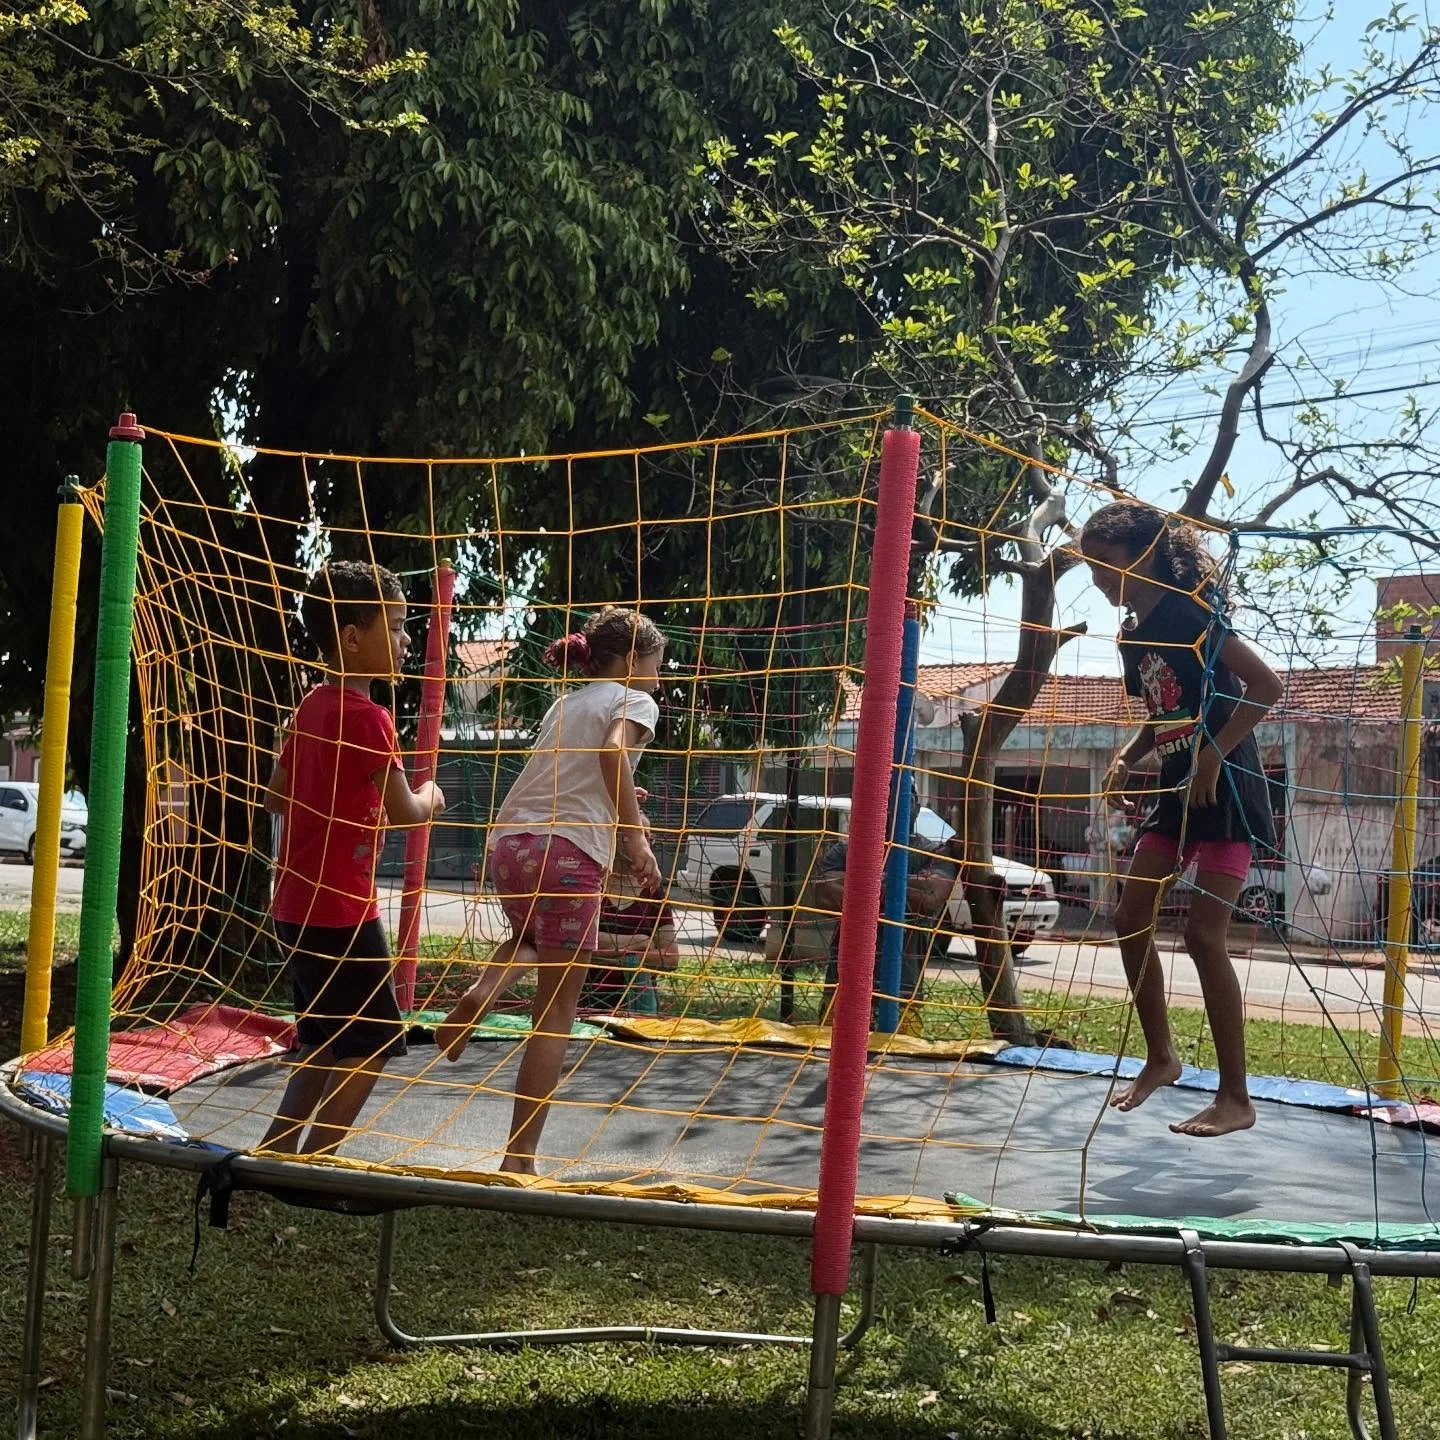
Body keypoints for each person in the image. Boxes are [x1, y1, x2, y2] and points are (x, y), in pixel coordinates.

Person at [436, 606, 664, 1174]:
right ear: (630, 661)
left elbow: (574, 773)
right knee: (556, 1010)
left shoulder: (566, 703)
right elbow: (612, 753)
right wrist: (634, 836)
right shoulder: (635, 701)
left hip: (511, 846)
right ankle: (519, 1158)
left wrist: (619, 810)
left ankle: (483, 992)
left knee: (532, 939)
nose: (659, 678)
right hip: (567, 854)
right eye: (656, 665)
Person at [1080, 498, 1282, 1138]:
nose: (1097, 577)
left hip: (1225, 790)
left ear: (1143, 555)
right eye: (1090, 566)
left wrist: (1212, 758)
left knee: (1202, 935)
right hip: (1176, 789)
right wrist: (1127, 756)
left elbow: (1266, 687)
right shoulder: (1133, 632)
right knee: (1129, 916)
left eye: (1105, 562)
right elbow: (1164, 709)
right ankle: (1161, 1056)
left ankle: (1235, 1097)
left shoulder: (1189, 613)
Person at [260, 562, 446, 1156]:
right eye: (394, 626)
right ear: (351, 636)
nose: (405, 639)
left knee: (321, 1037)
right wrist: (433, 795)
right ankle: (317, 1162)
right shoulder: (369, 718)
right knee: (375, 1041)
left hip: (294, 904)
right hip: (341, 909)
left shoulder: (312, 706)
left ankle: (277, 1152)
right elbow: (407, 810)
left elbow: (276, 795)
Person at [813, 814, 954, 1035]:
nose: (890, 806)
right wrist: (900, 887)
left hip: (904, 988)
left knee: (899, 1053)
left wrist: (861, 883)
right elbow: (824, 895)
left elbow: (930, 897)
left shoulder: (933, 851)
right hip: (844, 983)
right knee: (833, 1049)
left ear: (915, 806)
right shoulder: (844, 849)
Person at [583, 818, 679, 1015]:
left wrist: (621, 958)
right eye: (636, 834)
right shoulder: (592, 884)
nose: (644, 843)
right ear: (614, 837)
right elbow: (577, 946)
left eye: (648, 836)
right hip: (585, 1002)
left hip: (638, 1007)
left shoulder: (654, 892)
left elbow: (671, 959)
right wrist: (638, 942)